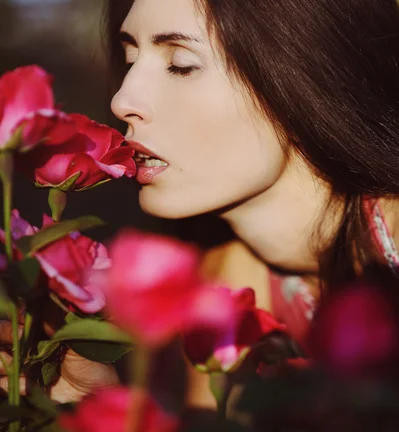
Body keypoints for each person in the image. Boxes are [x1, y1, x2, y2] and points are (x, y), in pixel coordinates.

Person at [1, 0, 399, 407]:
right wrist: (96, 402)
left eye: (180, 63)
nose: (123, 100)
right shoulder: (225, 297)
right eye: (129, 58)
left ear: (306, 75)